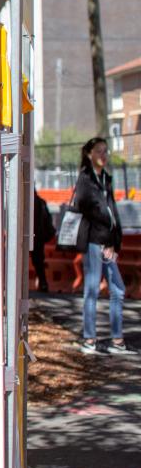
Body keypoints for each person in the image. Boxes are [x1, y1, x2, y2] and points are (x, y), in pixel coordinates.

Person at [75, 137, 135, 355]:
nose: (104, 155)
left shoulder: (106, 179)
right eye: (99, 151)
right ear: (90, 153)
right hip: (94, 243)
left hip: (108, 244)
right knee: (91, 290)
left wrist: (114, 242)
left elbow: (111, 212)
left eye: (105, 151)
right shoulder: (85, 179)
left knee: (118, 289)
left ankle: (116, 340)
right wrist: (105, 241)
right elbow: (88, 209)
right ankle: (89, 339)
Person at [32, 191, 56, 292]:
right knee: (38, 261)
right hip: (38, 236)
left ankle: (42, 282)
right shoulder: (41, 202)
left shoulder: (33, 203)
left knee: (36, 260)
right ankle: (42, 282)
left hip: (34, 235)